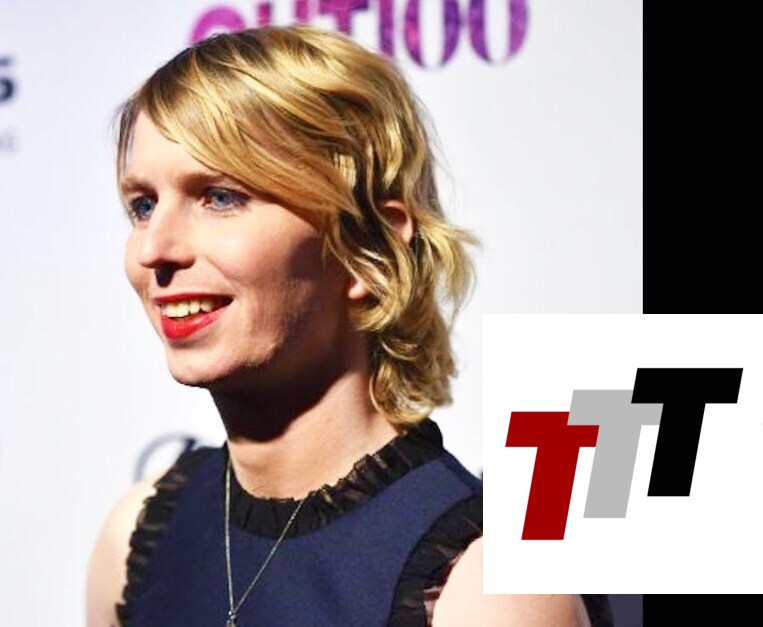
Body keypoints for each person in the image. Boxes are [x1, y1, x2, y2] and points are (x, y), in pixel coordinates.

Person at [87, 25, 612, 627]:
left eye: (221, 197)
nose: (153, 249)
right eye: (143, 205)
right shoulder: (136, 538)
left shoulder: (484, 588)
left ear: (368, 247)